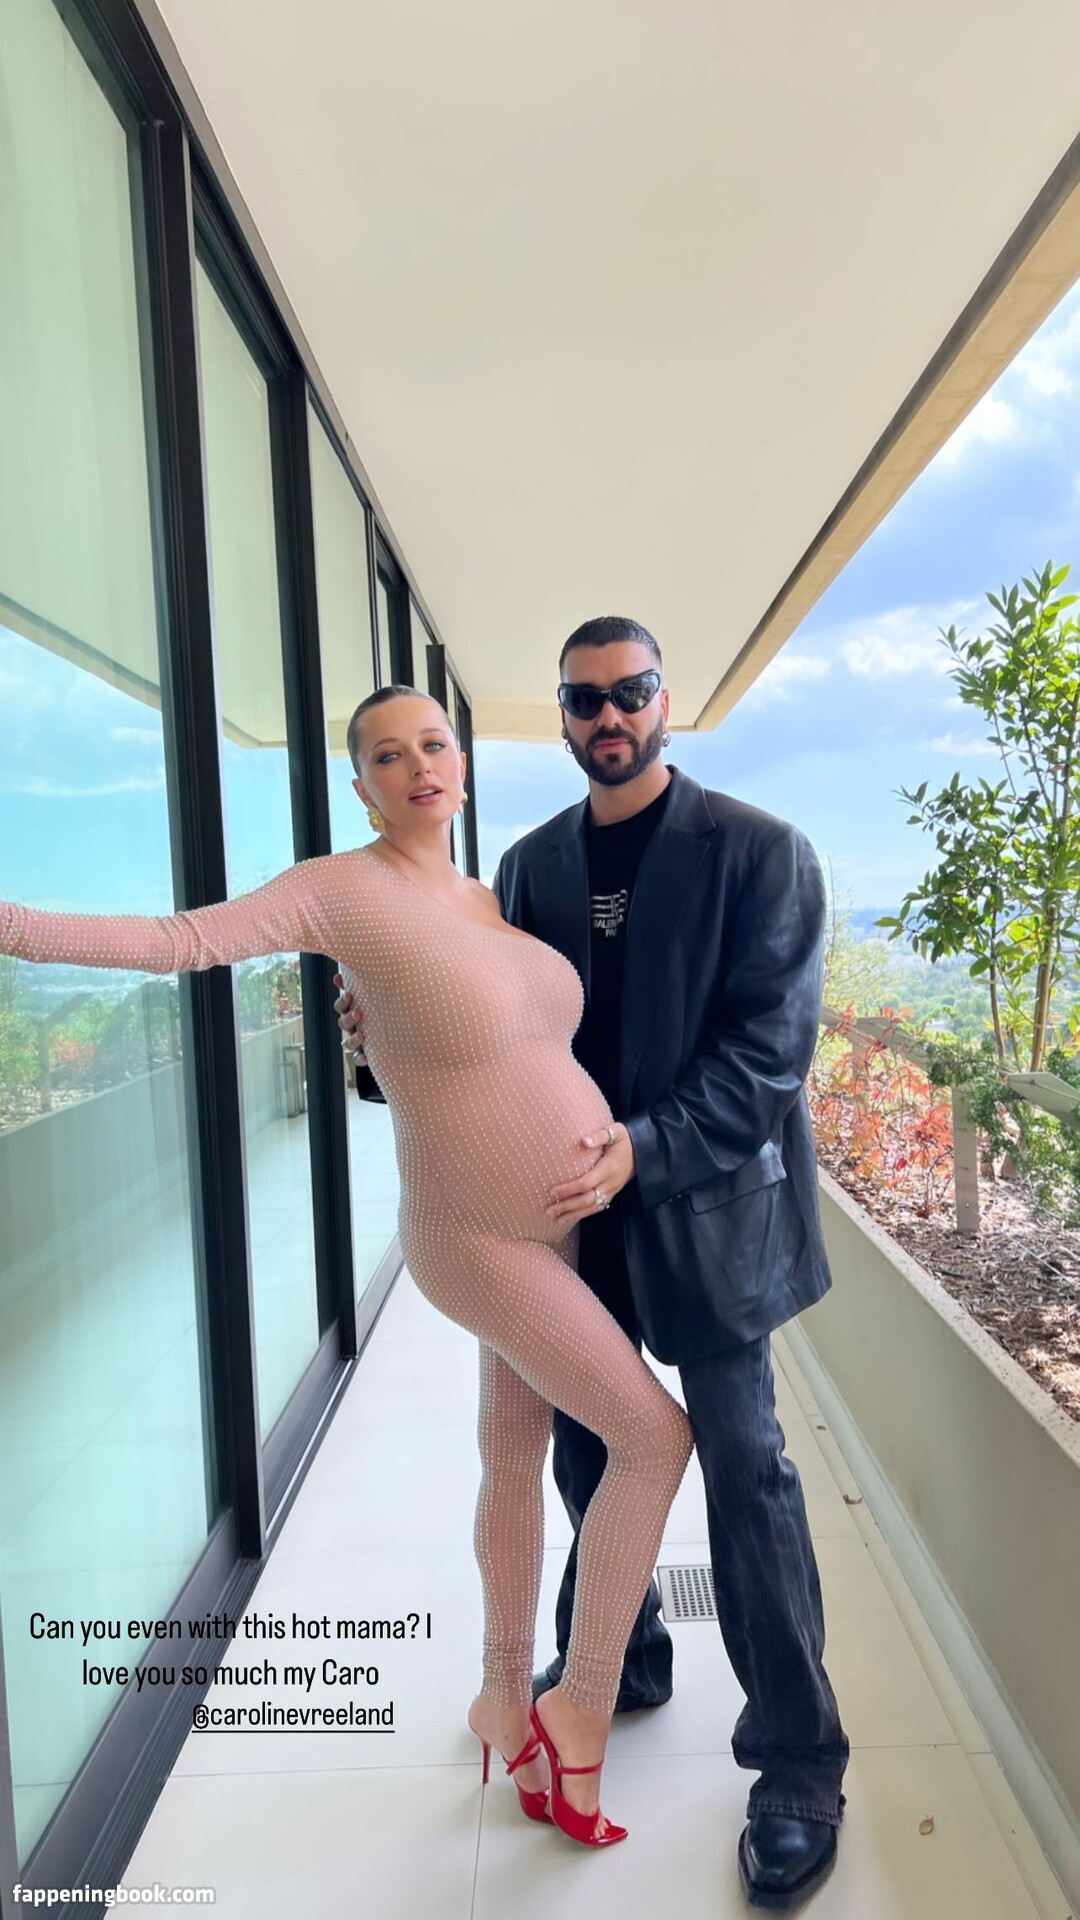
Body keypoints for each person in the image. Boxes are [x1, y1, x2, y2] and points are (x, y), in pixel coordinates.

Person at [0, 684, 694, 1852]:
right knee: (654, 1439)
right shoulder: (339, 890)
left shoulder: (484, 897)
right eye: (387, 754)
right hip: (472, 1235)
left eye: (434, 744)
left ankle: (500, 1692)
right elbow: (181, 942)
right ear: (361, 786)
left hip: (558, 1225)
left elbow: (464, 1034)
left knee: (512, 1455)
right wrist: (14, 925)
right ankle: (577, 1706)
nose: (418, 766)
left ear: (459, 763)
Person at [339, 619, 849, 1909]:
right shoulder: (529, 866)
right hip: (568, 1218)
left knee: (746, 1472)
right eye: (584, 699)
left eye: (631, 692)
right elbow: (488, 1038)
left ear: (665, 701)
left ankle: (798, 1762)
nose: (608, 714)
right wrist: (378, 1041)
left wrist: (642, 1149)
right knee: (584, 1450)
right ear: (563, 715)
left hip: (711, 1214)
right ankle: (623, 1658)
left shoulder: (762, 853)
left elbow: (768, 1055)